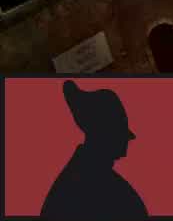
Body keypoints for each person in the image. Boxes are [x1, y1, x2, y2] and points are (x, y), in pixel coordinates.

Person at [41, 80, 148, 220]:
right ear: (104, 134)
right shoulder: (83, 183)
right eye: (119, 134)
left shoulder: (85, 176)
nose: (126, 144)